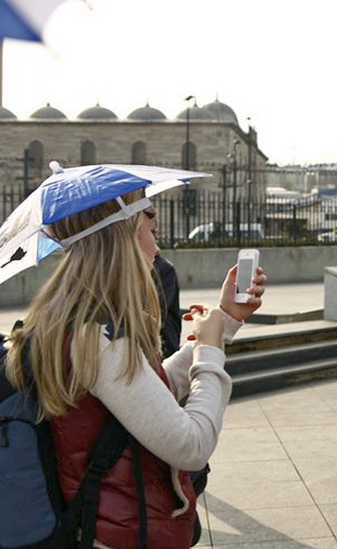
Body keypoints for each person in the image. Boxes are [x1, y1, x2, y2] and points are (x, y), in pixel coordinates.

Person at [3, 190, 266, 548]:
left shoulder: (79, 320)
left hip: (110, 526)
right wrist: (209, 353)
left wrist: (225, 319)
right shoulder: (97, 338)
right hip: (122, 533)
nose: (157, 249)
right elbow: (192, 446)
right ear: (123, 238)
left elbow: (145, 395)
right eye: (151, 232)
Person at [144, 205, 182, 358]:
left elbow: (162, 318)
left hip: (163, 354)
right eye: (149, 232)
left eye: (155, 233)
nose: (156, 247)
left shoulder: (162, 269)